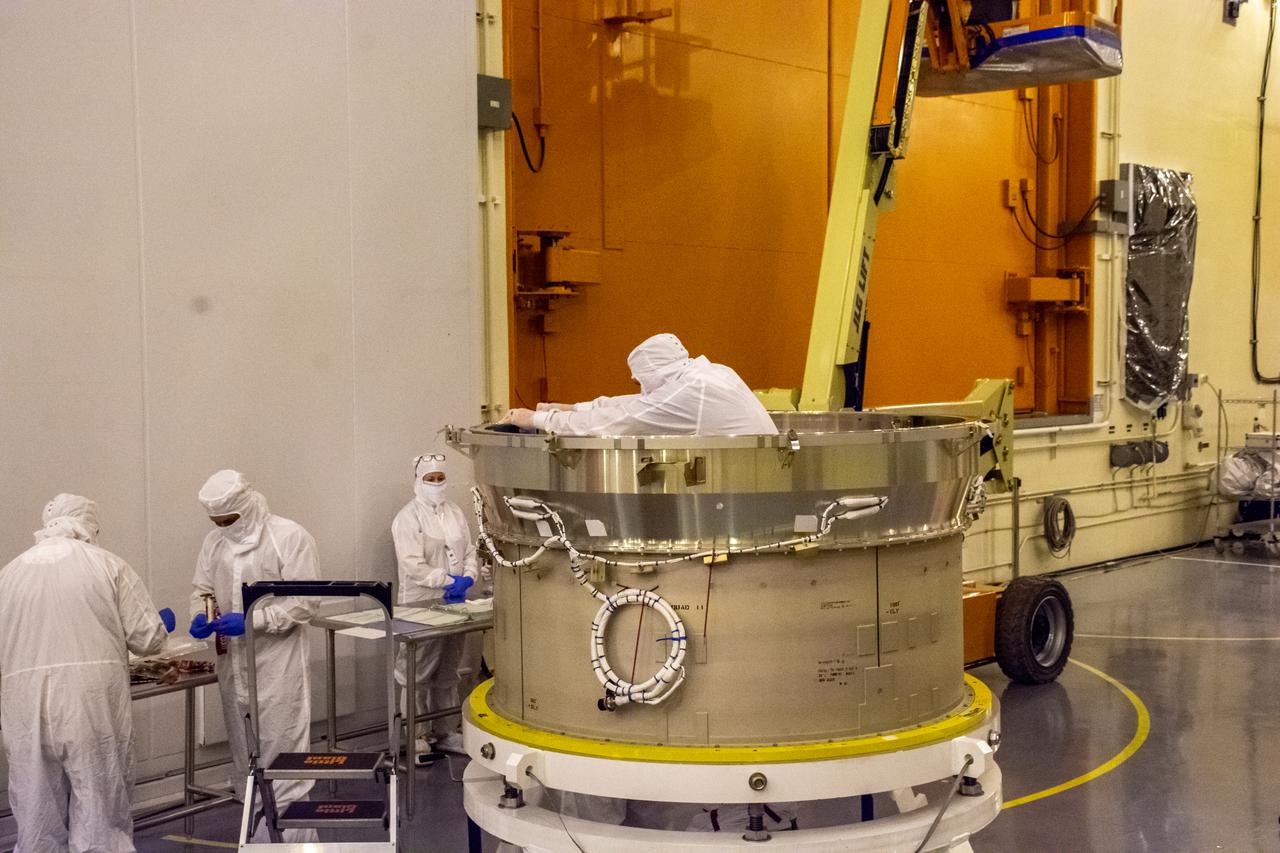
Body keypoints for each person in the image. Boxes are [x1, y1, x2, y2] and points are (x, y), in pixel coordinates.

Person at [0, 494, 174, 852]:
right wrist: (160, 625)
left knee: (36, 818)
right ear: (88, 525)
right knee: (99, 812)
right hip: (90, 704)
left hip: (23, 708)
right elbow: (147, 639)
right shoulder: (107, 564)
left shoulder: (8, 574)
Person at [189, 470, 319, 842]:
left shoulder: (287, 537)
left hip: (277, 664)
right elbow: (201, 588)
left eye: (229, 520)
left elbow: (305, 602)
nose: (224, 528)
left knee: (284, 755)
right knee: (246, 756)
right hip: (233, 664)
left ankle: (288, 841)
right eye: (217, 522)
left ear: (244, 507)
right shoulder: (214, 543)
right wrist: (202, 615)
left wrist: (255, 620)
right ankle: (260, 832)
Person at [503, 333, 779, 436]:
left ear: (653, 374)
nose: (640, 389)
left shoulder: (691, 391)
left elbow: (621, 420)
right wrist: (571, 408)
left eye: (640, 381)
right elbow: (638, 404)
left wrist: (537, 418)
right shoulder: (710, 374)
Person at [392, 453, 484, 758]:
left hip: (456, 602)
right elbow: (412, 565)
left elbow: (469, 549)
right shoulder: (407, 518)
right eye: (430, 479)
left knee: (448, 667)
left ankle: (446, 730)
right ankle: (416, 734)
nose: (435, 484)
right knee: (417, 670)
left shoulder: (455, 512)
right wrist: (446, 581)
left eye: (440, 478)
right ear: (418, 480)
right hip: (421, 603)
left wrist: (468, 577)